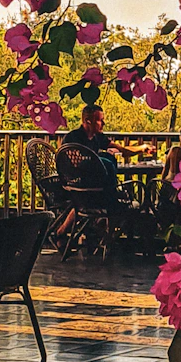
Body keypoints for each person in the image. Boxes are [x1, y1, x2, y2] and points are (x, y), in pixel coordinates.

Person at [54, 107, 120, 253]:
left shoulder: (98, 137)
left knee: (108, 161)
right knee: (105, 198)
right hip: (74, 186)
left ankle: (66, 232)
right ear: (87, 121)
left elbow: (120, 148)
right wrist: (97, 162)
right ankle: (104, 234)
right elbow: (72, 165)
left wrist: (142, 148)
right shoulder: (73, 138)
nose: (103, 123)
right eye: (100, 120)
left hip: (91, 188)